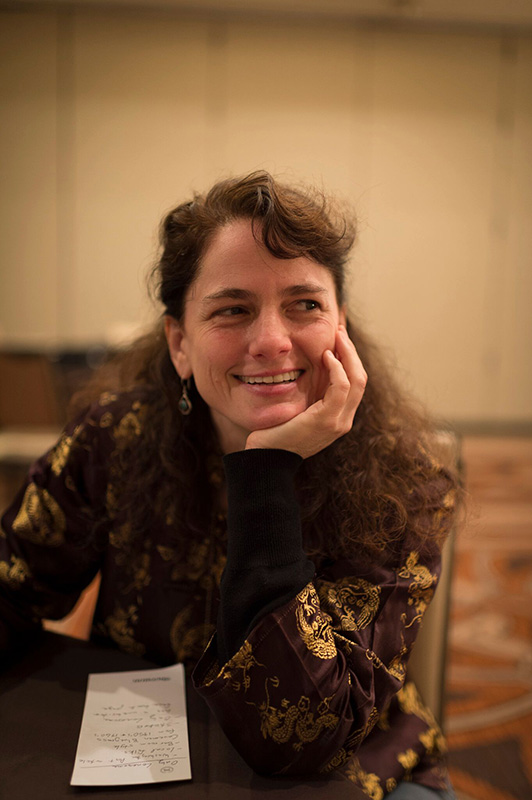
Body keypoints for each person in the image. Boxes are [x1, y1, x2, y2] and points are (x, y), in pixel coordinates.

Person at [0, 172, 459, 799]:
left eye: (305, 304)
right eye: (232, 309)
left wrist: (264, 473)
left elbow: (301, 739)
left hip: (354, 772)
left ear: (341, 327)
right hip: (148, 753)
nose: (271, 341)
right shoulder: (114, 440)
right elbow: (11, 590)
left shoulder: (403, 486)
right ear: (180, 344)